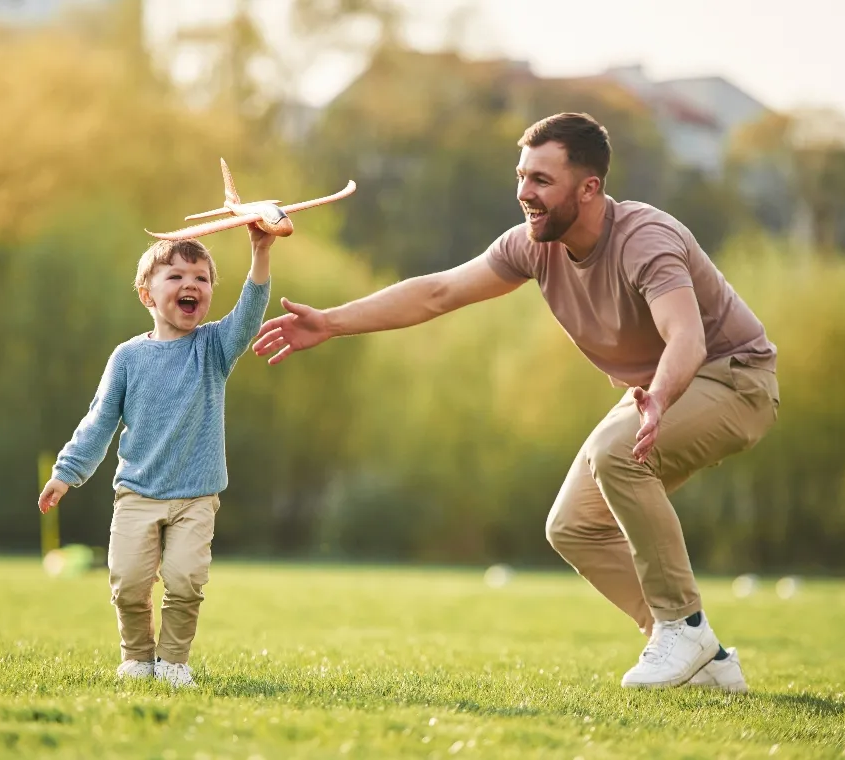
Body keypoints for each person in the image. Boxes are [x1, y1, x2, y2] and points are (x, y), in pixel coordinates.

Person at [251, 113, 778, 692]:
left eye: (542, 181)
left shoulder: (645, 241)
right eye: (522, 176)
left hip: (735, 380)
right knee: (573, 526)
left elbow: (687, 338)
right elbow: (438, 292)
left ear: (590, 188)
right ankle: (696, 654)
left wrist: (657, 399)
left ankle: (684, 623)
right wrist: (331, 322)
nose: (525, 193)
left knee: (614, 451)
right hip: (662, 392)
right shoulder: (534, 246)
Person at [38, 227, 274, 688]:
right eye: (177, 275)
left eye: (202, 278)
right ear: (147, 294)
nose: (192, 284)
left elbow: (249, 313)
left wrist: (260, 250)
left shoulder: (213, 348)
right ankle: (137, 658)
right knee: (126, 582)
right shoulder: (127, 357)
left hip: (195, 497)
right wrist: (66, 472)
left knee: (185, 580)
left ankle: (173, 663)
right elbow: (99, 420)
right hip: (137, 494)